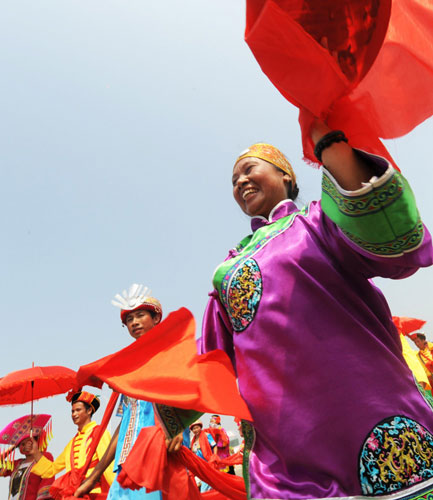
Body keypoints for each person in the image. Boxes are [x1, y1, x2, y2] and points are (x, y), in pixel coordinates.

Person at [162, 121, 433, 500]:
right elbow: (210, 361)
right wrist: (147, 391)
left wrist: (332, 147)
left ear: (286, 175)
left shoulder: (318, 221)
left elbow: (395, 244)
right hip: (287, 459)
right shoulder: (228, 269)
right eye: (233, 179)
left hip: (371, 416)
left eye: (249, 169)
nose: (240, 182)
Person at [74, 284, 187, 500]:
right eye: (129, 319)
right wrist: (93, 477)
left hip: (158, 457)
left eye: (140, 315)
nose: (134, 322)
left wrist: (177, 429)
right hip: (124, 468)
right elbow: (125, 424)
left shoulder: (171, 356)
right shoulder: (129, 371)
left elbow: (188, 398)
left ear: (156, 318)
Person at [29, 392, 114, 498]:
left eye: (78, 410)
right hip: (74, 495)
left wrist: (120, 491)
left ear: (89, 410)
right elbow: (52, 469)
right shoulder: (71, 443)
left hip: (94, 494)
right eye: (72, 411)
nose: (74, 414)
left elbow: (108, 464)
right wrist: (35, 452)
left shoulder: (99, 433)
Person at [0, 414, 54, 500]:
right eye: (22, 444)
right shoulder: (17, 464)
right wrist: (12, 447)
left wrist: (35, 450)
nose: (25, 446)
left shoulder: (45, 457)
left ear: (36, 441)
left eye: (29, 441)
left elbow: (48, 480)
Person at [189, 421, 216, 492]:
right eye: (193, 429)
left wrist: (214, 456)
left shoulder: (207, 435)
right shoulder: (193, 441)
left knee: (204, 490)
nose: (195, 430)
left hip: (208, 465)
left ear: (200, 427)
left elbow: (214, 446)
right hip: (199, 467)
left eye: (197, 427)